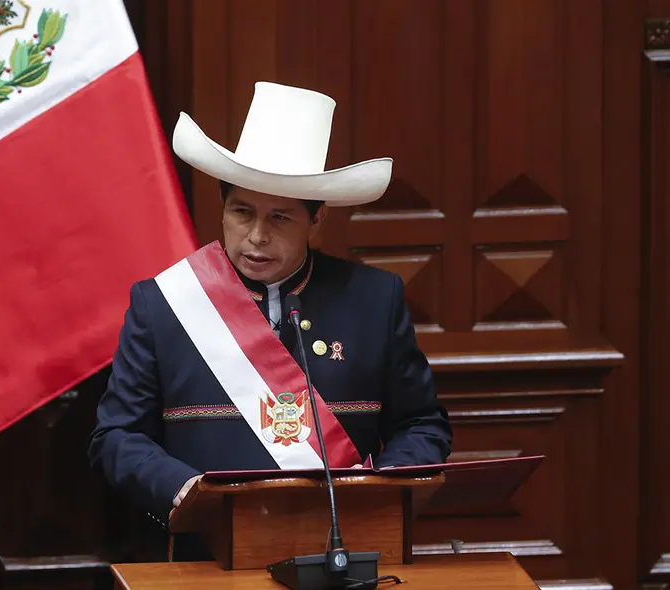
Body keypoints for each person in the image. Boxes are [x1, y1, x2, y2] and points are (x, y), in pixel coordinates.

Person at [86, 82, 451, 553]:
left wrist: (378, 493)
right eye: (242, 212)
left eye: (280, 218)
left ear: (316, 221)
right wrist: (189, 493)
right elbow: (116, 437)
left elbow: (422, 425)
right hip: (209, 558)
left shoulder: (374, 300)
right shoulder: (164, 304)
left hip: (343, 553)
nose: (256, 236)